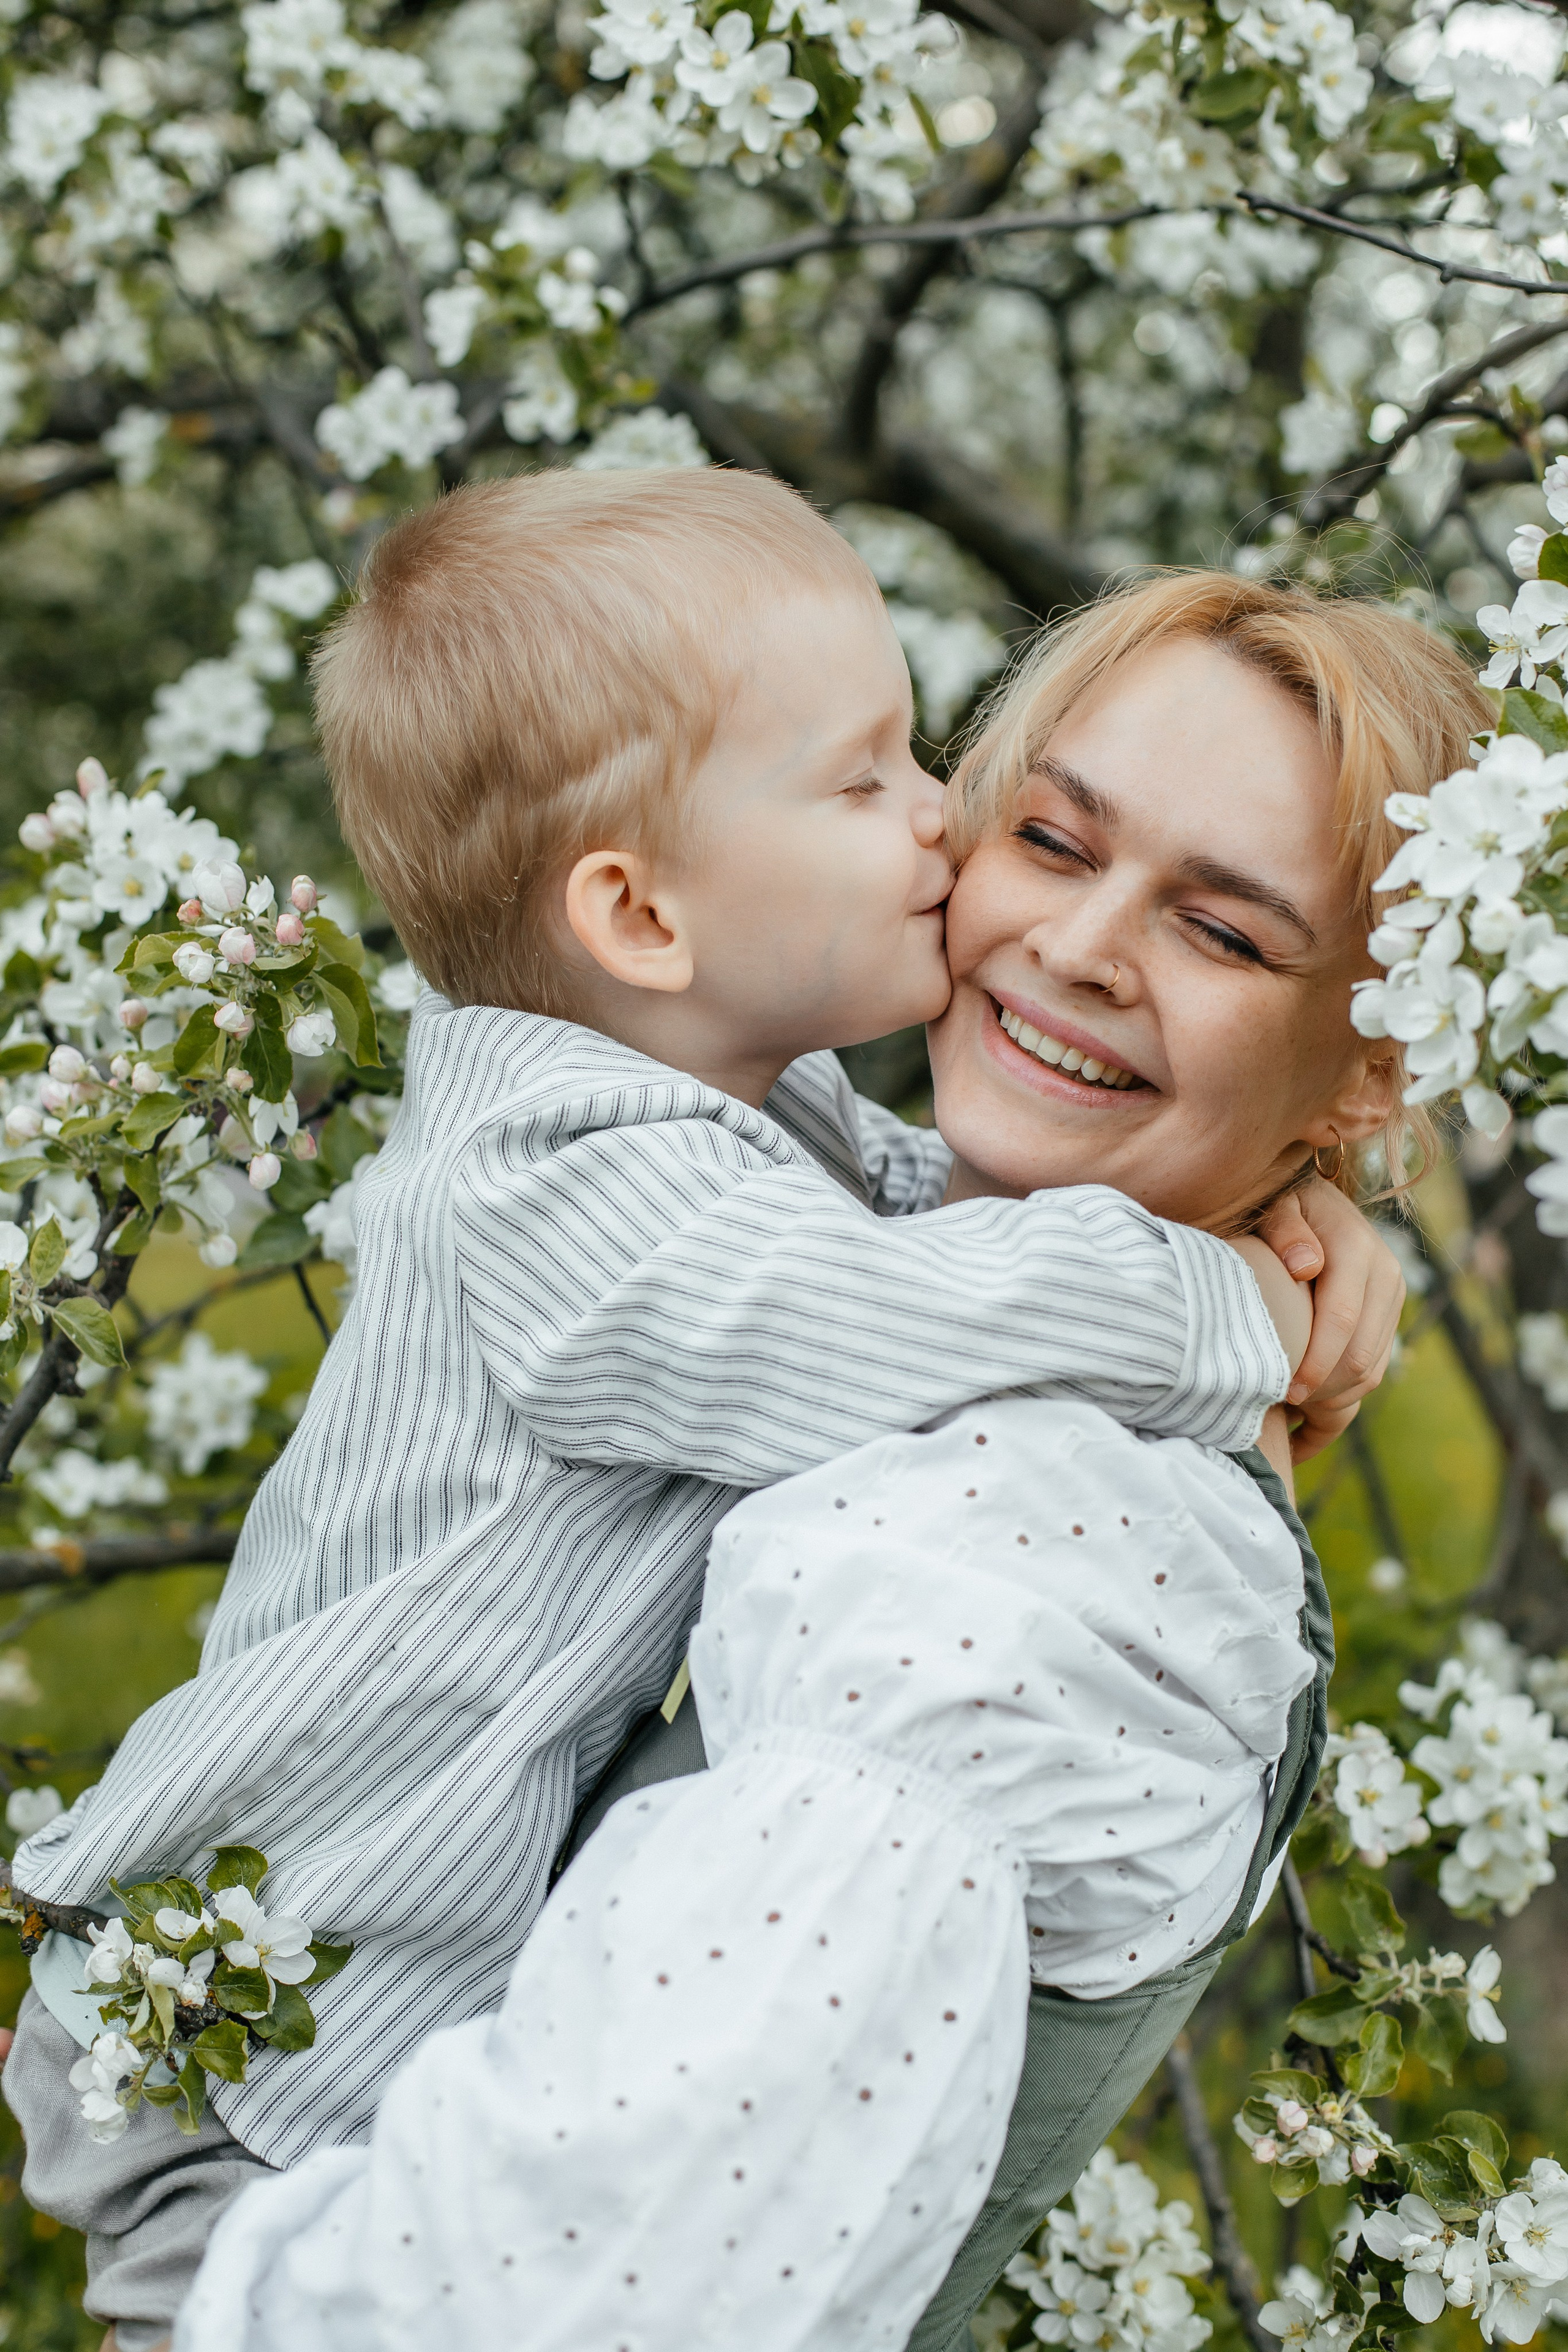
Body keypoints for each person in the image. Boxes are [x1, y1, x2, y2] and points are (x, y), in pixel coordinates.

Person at [3, 484, 1396, 2352]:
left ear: (1369, 1067)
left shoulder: (747, 1134)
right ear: (643, 913)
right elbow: (874, 1305)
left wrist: (1290, 1240)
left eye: (1226, 935)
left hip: (323, 2051)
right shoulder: (563, 1185)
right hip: (254, 2067)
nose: (946, 832)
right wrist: (1218, 1293)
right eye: (1019, 822)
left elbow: (893, 1234)